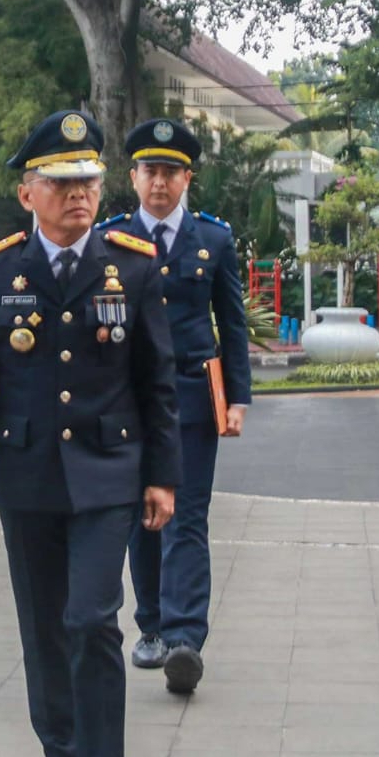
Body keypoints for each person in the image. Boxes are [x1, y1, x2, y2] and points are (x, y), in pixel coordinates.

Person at [0, 109, 179, 757]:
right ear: (27, 193)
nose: (79, 195)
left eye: (87, 181)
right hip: (27, 474)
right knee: (44, 629)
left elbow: (157, 382)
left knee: (91, 619)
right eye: (61, 183)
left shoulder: (134, 264)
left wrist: (163, 478)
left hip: (110, 474)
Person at [104, 117, 251, 695]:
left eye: (170, 172)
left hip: (192, 394)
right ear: (133, 176)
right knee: (145, 514)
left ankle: (186, 637)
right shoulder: (111, 239)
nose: (159, 183)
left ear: (187, 178)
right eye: (149, 171)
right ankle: (153, 626)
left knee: (187, 514)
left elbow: (232, 324)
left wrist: (237, 397)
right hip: (128, 398)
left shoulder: (212, 239)